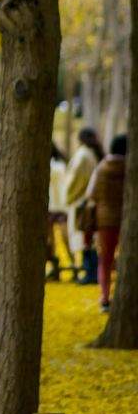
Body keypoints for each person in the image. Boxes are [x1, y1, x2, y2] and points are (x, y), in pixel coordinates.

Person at [85, 134, 127, 312]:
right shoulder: (131, 168)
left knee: (106, 259)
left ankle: (104, 298)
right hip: (127, 219)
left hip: (105, 220)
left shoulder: (101, 168)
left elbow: (91, 194)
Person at [65, 127, 104, 284]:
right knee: (89, 237)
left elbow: (75, 180)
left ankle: (90, 272)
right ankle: (91, 271)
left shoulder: (82, 156)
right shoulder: (94, 154)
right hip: (91, 201)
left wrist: (68, 196)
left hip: (81, 201)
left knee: (84, 236)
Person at [46, 143, 69, 281]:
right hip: (55, 205)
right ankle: (54, 266)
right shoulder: (61, 165)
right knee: (50, 241)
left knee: (57, 238)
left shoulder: (58, 166)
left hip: (57, 205)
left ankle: (61, 265)